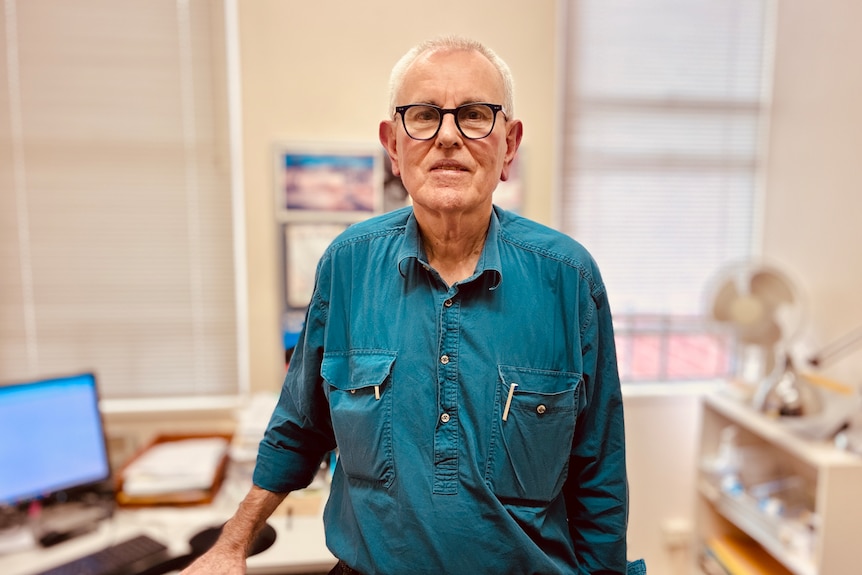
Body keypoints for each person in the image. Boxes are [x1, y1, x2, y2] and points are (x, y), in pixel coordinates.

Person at [182, 35, 629, 575]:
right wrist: (230, 545)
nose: (446, 136)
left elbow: (599, 475)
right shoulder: (347, 265)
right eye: (422, 116)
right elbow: (300, 427)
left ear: (509, 145)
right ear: (393, 145)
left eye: (473, 115)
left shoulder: (569, 278)